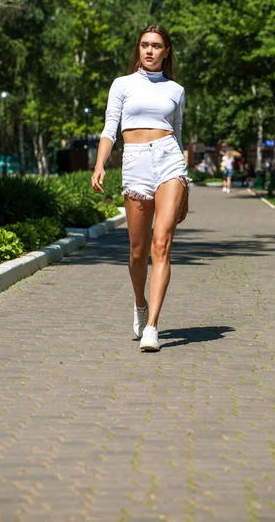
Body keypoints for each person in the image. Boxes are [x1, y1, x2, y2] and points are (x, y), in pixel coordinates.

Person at [91, 24, 189, 352]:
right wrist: (100, 163)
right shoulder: (122, 85)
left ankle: (152, 327)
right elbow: (109, 128)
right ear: (139, 48)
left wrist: (185, 188)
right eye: (145, 45)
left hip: (169, 161)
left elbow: (177, 133)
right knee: (137, 250)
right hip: (134, 162)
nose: (149, 50)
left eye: (156, 46)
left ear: (166, 51)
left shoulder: (176, 90)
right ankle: (139, 303)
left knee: (160, 245)